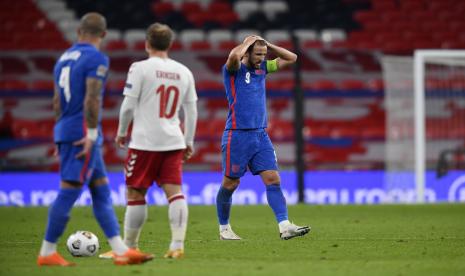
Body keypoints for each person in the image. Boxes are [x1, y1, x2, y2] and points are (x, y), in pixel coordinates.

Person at [37, 12, 154, 266]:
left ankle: (121, 250)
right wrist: (89, 134)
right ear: (103, 35)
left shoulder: (63, 59)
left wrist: (61, 133)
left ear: (79, 32)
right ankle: (47, 251)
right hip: (83, 133)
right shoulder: (96, 58)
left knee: (101, 190)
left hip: (67, 129)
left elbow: (57, 101)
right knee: (69, 190)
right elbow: (92, 98)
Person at [99, 22, 197, 260]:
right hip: (173, 141)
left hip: (144, 141)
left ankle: (128, 247)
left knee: (135, 193)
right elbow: (191, 110)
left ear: (147, 43)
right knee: (174, 191)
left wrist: (122, 131)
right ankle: (176, 245)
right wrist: (189, 141)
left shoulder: (139, 68)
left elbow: (128, 105)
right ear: (170, 44)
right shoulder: (184, 71)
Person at [216, 35, 311, 240]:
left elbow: (292, 57)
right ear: (247, 52)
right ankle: (224, 229)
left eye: (263, 55)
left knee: (273, 179)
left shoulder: (263, 69)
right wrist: (247, 42)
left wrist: (267, 45)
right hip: (237, 134)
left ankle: (284, 226)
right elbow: (233, 55)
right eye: (257, 54)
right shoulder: (233, 70)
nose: (261, 58)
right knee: (230, 183)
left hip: (260, 134)